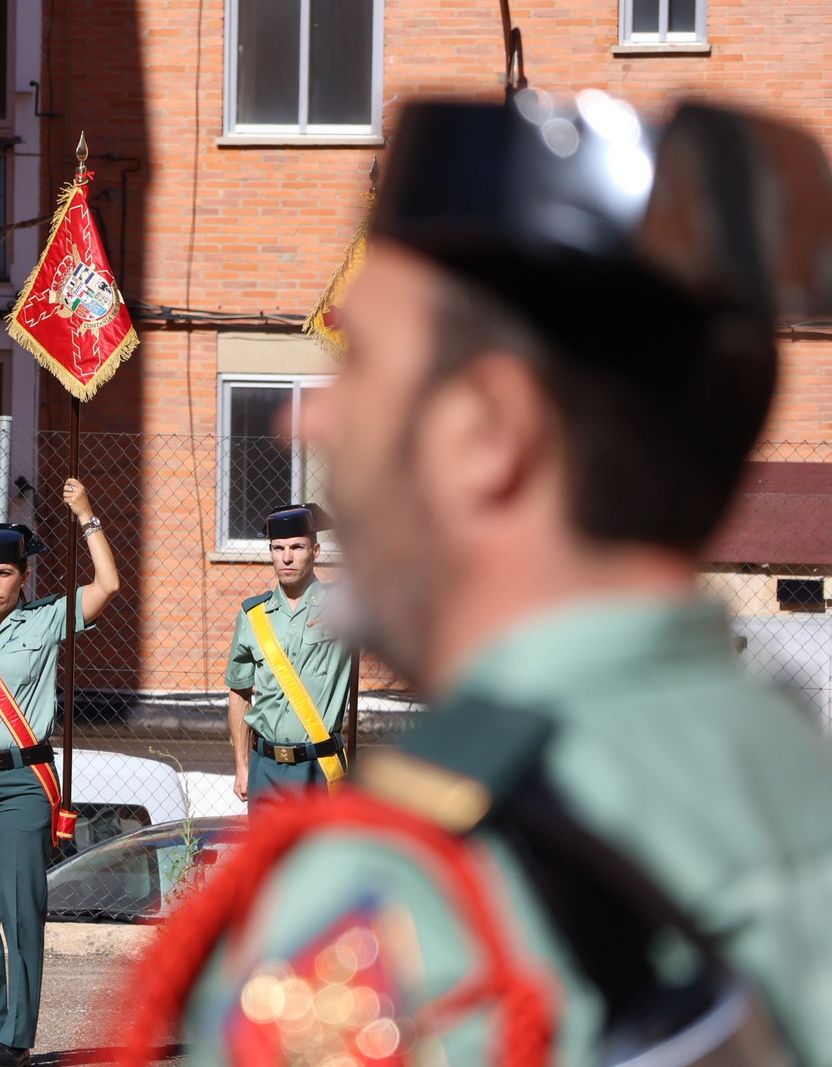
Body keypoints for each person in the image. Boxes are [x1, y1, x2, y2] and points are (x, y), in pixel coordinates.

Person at [111, 91, 832, 1065]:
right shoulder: (786, 774)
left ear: (487, 433)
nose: (302, 423)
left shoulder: (399, 900)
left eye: (359, 360)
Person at [0, 479, 119, 1067]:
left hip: (21, 784)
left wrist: (86, 515)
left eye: (4, 574)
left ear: (22, 576)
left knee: (20, 908)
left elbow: (108, 585)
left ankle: (16, 1038)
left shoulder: (45, 621)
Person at [225, 503, 352, 802]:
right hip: (264, 768)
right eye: (278, 548)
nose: (286, 557)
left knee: (321, 850)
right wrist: (242, 767)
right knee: (269, 851)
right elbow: (239, 692)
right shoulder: (253, 614)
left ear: (316, 551)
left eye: (296, 547)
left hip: (320, 766)